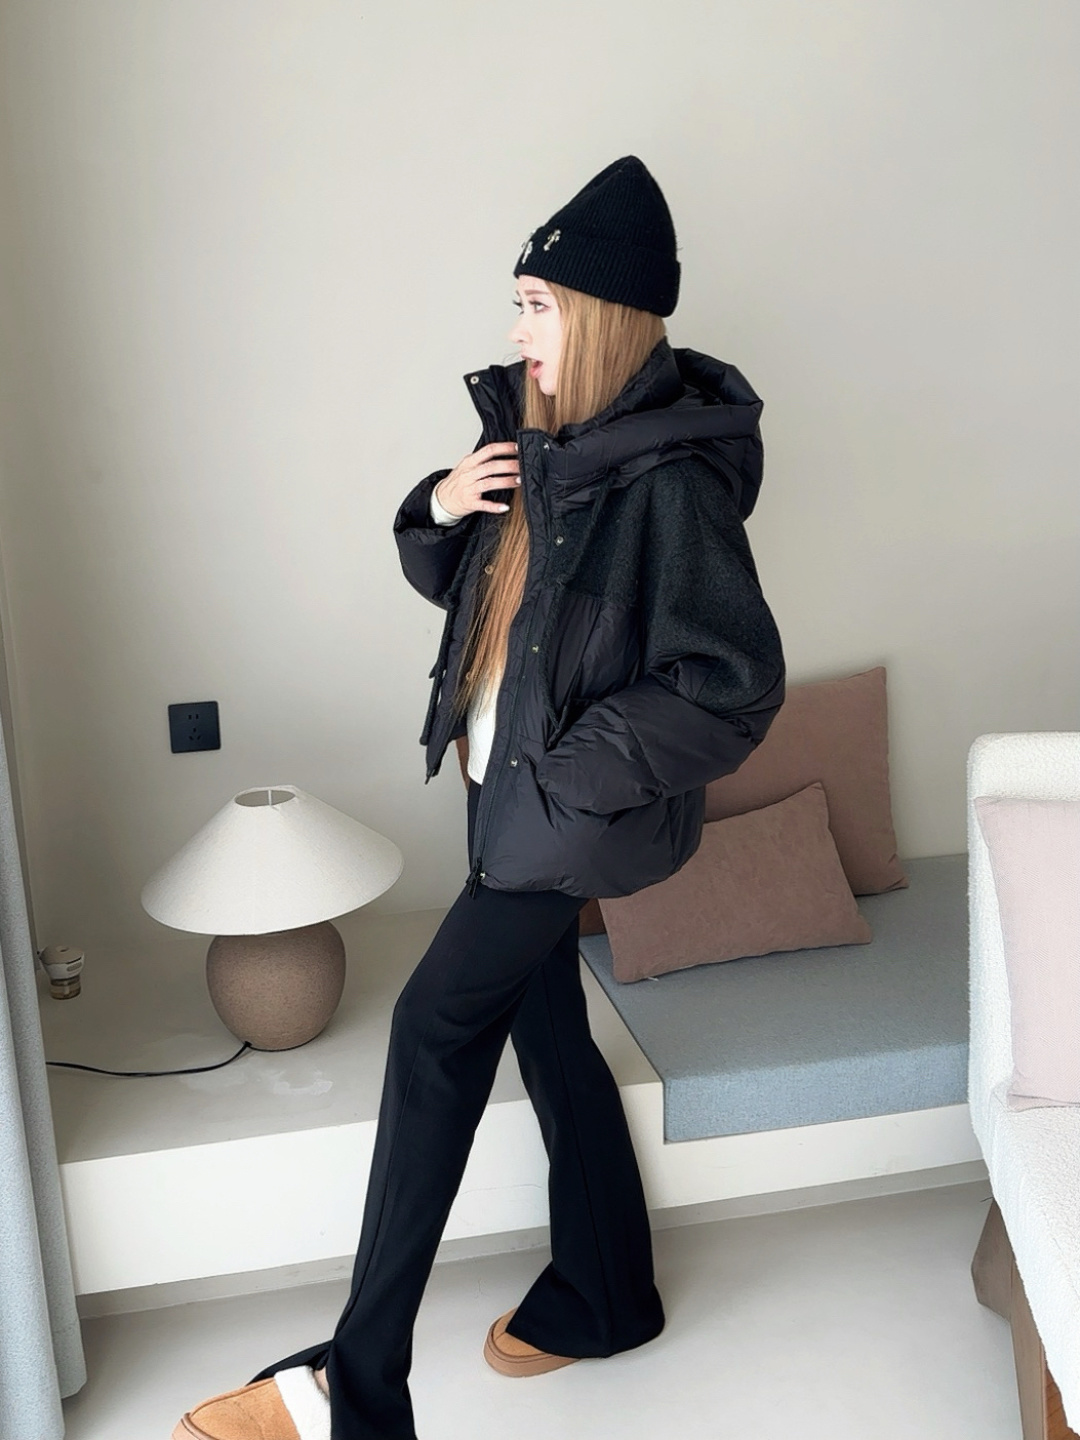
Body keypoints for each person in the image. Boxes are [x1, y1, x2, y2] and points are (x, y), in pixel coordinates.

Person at [172, 155, 786, 1440]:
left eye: (536, 304)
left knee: (430, 1032)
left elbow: (731, 688)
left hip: (554, 822)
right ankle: (609, 1295)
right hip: (502, 799)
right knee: (546, 1029)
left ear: (601, 314)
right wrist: (438, 506)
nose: (516, 330)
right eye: (516, 304)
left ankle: (355, 1390)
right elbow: (475, 602)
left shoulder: (667, 484)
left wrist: (570, 773)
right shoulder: (539, 443)